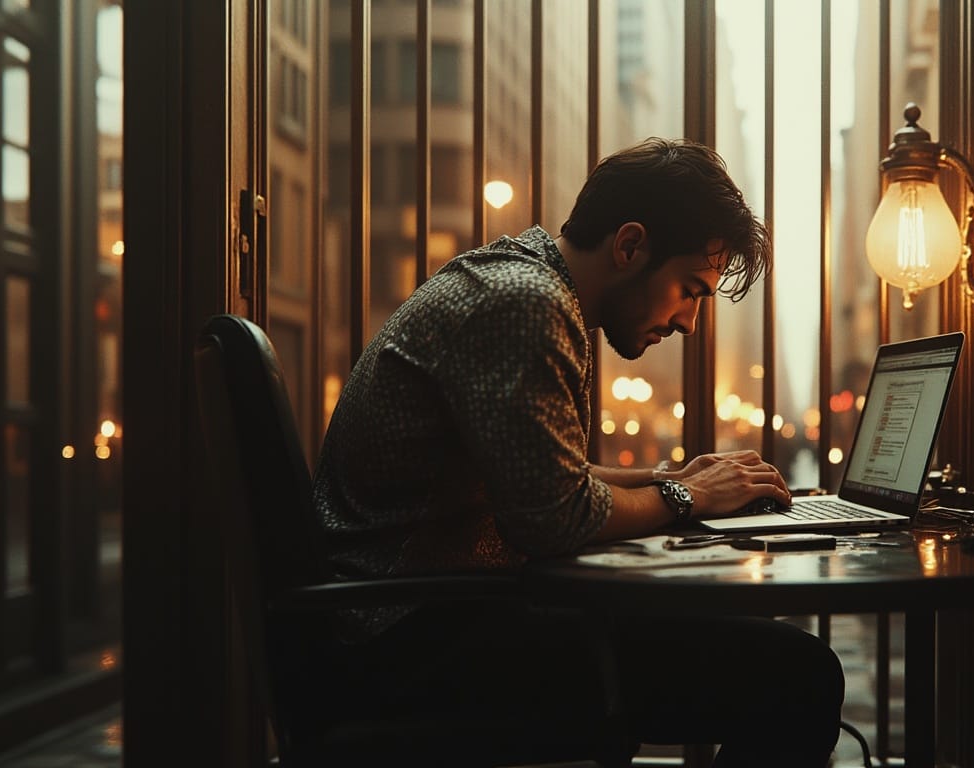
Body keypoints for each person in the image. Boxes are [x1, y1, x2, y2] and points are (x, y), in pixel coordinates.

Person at [312, 137, 845, 766]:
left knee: (768, 661)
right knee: (799, 675)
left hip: (416, 616)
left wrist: (674, 476)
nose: (688, 323)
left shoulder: (526, 283)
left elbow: (542, 474)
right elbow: (553, 517)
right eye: (691, 290)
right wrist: (687, 496)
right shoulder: (525, 305)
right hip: (405, 638)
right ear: (629, 246)